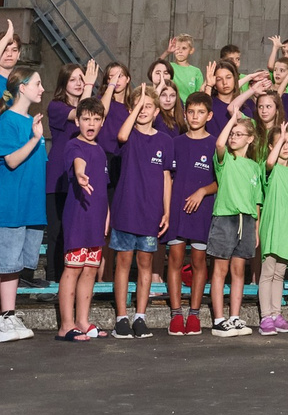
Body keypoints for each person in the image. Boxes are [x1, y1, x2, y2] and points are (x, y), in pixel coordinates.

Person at [0, 70, 50, 342]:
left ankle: (8, 315)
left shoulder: (31, 121)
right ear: (22, 88)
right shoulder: (8, 120)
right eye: (37, 84)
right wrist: (33, 139)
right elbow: (10, 160)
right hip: (7, 206)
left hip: (29, 206)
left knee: (13, 266)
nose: (42, 89)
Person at [107, 85, 173, 338]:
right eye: (138, 106)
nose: (143, 110)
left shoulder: (164, 141)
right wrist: (136, 106)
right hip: (126, 209)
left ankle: (140, 316)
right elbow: (122, 136)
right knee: (123, 262)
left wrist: (166, 211)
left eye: (148, 106)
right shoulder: (128, 134)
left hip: (151, 212)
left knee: (145, 263)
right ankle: (121, 316)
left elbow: (167, 177)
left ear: (157, 111)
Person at [162, 93, 219, 335]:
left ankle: (194, 314)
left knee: (198, 262)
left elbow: (220, 181)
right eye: (191, 112)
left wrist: (201, 192)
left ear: (209, 115)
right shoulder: (175, 143)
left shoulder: (216, 144)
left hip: (202, 211)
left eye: (201, 112)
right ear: (184, 114)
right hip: (176, 210)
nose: (195, 116)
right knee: (175, 260)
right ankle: (176, 314)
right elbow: (166, 179)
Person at [205, 115, 264, 337]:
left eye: (239, 134)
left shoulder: (255, 167)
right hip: (225, 218)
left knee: (239, 270)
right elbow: (219, 144)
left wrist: (256, 229)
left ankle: (235, 317)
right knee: (220, 270)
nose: (233, 137)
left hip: (246, 220)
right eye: (232, 133)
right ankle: (219, 319)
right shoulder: (225, 160)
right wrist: (231, 119)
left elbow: (257, 201)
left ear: (250, 139)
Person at [56, 103, 110, 342]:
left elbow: (103, 189)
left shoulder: (100, 150)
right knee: (73, 269)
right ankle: (66, 325)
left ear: (102, 123)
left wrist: (106, 216)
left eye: (96, 119)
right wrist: (80, 174)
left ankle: (82, 321)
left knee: (90, 270)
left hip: (97, 219)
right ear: (77, 121)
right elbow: (79, 162)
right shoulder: (73, 145)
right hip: (78, 217)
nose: (91, 124)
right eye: (86, 119)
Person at [255, 126, 288, 334]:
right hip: (271, 224)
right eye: (281, 143)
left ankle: (276, 313)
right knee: (267, 272)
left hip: (287, 226)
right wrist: (282, 137)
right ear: (271, 146)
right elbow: (269, 162)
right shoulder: (269, 168)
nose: (285, 146)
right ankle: (265, 317)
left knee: (279, 273)